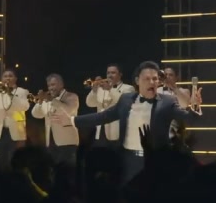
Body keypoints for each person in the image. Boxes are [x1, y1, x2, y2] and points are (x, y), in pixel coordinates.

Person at [52, 61, 203, 184]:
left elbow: (190, 118)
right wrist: (72, 120)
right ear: (137, 81)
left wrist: (195, 106)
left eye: (155, 79)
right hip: (129, 160)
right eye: (147, 79)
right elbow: (103, 116)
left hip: (155, 160)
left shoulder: (167, 102)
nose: (152, 82)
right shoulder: (126, 100)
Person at [0, 68, 30, 170]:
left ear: (15, 79)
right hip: (1, 131)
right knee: (1, 161)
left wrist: (11, 94)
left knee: (15, 161)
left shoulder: (22, 91)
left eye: (10, 76)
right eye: (5, 76)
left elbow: (25, 106)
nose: (8, 78)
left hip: (16, 131)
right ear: (1, 79)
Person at [31, 73, 80, 166]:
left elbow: (68, 110)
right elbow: (36, 114)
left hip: (67, 143)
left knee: (67, 171)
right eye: (49, 85)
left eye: (53, 85)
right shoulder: (48, 99)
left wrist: (52, 100)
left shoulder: (71, 97)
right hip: (50, 143)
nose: (50, 88)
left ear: (61, 84)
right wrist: (40, 102)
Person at [86, 63, 135, 148]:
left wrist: (110, 89)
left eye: (113, 73)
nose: (110, 75)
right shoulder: (101, 89)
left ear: (120, 75)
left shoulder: (128, 88)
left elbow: (124, 103)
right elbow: (89, 103)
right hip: (100, 130)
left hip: (116, 132)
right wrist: (94, 90)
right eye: (108, 73)